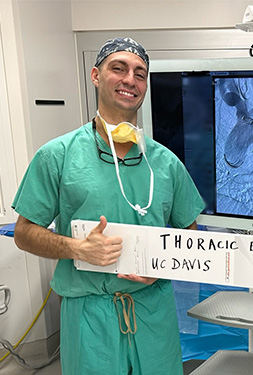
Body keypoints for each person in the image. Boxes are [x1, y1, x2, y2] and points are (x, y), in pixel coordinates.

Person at [12, 37, 204, 375]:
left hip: (152, 313)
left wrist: (162, 267)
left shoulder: (166, 163)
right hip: (90, 318)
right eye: (119, 68)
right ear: (96, 75)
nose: (130, 79)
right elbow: (24, 233)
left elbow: (190, 235)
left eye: (140, 73)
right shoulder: (58, 156)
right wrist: (77, 248)